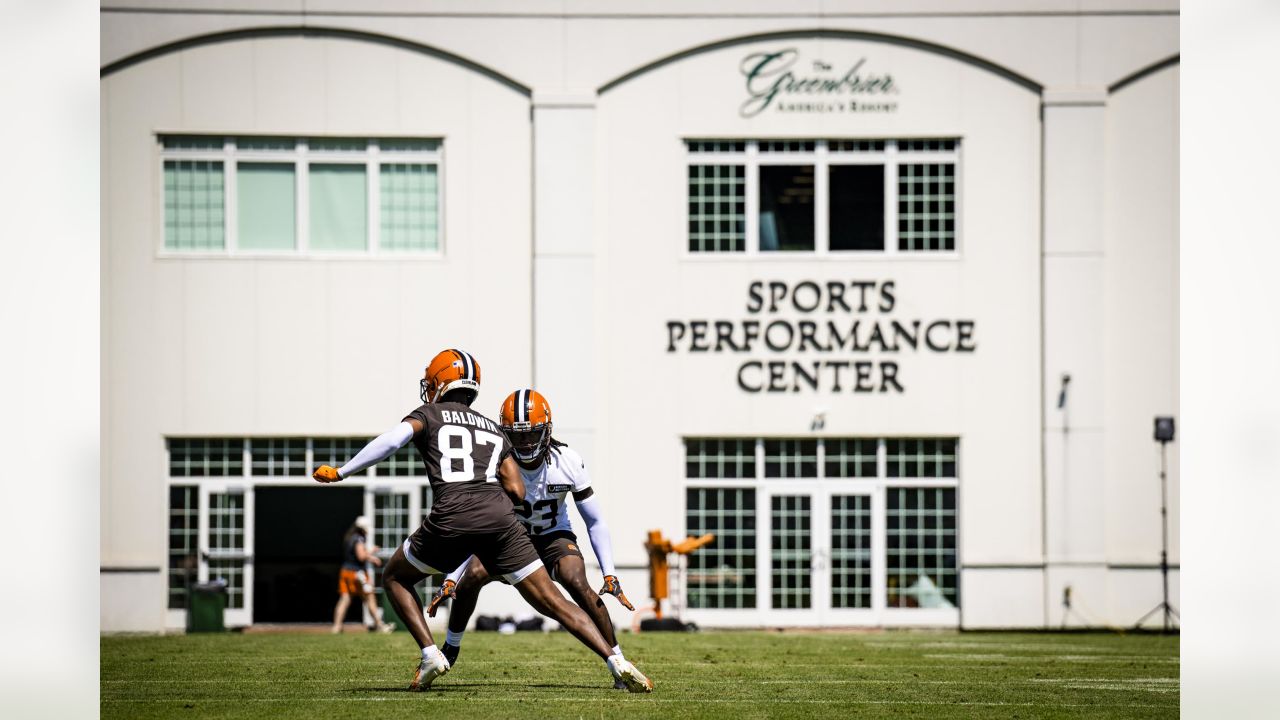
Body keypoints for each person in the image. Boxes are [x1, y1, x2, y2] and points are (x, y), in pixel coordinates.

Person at [311, 348, 653, 693]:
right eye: (518, 434)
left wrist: (343, 470)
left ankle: (431, 654)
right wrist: (467, 556)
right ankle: (617, 662)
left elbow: (392, 441)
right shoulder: (491, 429)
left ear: (439, 383)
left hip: (476, 519)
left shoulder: (430, 414)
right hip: (505, 524)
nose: (525, 440)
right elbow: (517, 490)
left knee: (396, 577)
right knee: (551, 601)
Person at [427, 388, 635, 689]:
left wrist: (611, 573)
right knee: (470, 577)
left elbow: (595, 520)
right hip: (509, 537)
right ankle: (451, 647)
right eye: (516, 435)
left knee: (577, 581)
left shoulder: (567, 461)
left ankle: (619, 662)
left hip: (552, 536)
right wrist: (451, 578)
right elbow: (474, 526)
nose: (524, 442)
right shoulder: (492, 464)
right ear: (503, 433)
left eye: (531, 434)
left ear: (547, 430)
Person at [332, 515, 396, 634]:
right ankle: (379, 625)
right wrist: (372, 555)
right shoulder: (359, 539)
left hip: (345, 572)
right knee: (370, 598)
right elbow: (361, 556)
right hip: (358, 573)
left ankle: (336, 626)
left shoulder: (349, 537)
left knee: (344, 599)